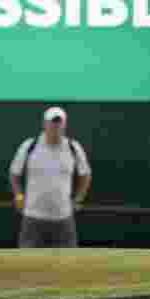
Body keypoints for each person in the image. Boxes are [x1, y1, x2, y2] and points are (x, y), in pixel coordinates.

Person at [9, 106, 92, 248]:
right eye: (52, 123)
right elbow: (14, 173)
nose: (55, 127)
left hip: (63, 219)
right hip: (33, 218)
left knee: (67, 265)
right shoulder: (30, 146)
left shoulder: (73, 147)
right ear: (45, 124)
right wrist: (19, 196)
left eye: (59, 123)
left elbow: (85, 175)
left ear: (64, 125)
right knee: (28, 264)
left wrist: (78, 199)